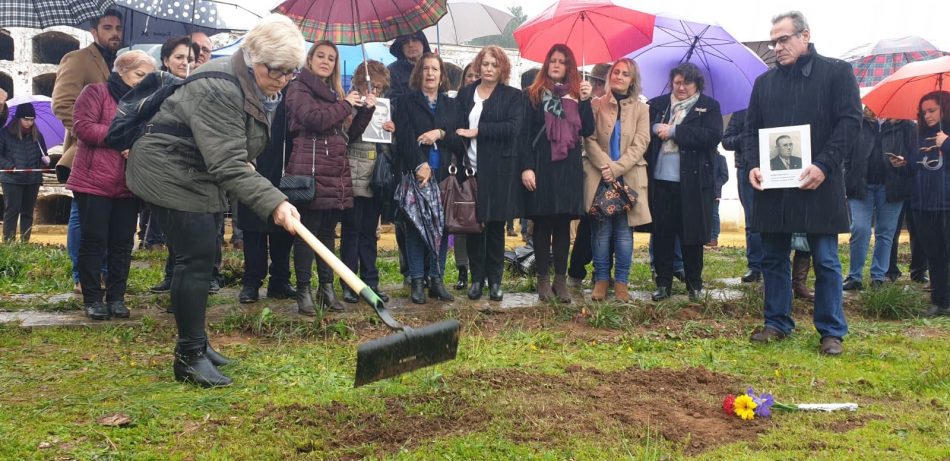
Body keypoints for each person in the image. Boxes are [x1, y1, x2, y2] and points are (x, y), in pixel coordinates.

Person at [125, 14, 307, 387]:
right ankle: (188, 357)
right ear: (254, 57)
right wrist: (276, 202)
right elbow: (226, 163)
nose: (283, 80)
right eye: (277, 70)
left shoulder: (254, 83)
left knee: (202, 256)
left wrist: (245, 157)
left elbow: (231, 146)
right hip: (170, 171)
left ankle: (199, 343)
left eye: (291, 72)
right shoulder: (220, 86)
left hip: (198, 170)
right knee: (196, 259)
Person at [744, 11, 860, 355]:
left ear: (804, 36)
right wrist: (752, 164)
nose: (776, 47)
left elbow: (850, 123)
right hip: (775, 186)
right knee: (773, 258)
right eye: (773, 41)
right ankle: (777, 323)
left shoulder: (837, 73)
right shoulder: (764, 83)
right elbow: (751, 130)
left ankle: (831, 331)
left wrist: (824, 165)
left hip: (819, 183)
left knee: (825, 259)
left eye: (783, 39)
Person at [286, 40, 375, 315]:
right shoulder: (299, 88)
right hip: (310, 170)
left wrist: (366, 111)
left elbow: (347, 135)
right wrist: (346, 104)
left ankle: (326, 288)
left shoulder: (333, 94)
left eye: (331, 58)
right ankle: (303, 290)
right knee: (306, 234)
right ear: (310, 60)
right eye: (321, 56)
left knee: (327, 234)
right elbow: (314, 119)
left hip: (334, 169)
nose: (326, 61)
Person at [67, 50, 154, 320]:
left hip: (128, 183)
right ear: (122, 71)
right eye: (140, 75)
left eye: (148, 77)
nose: (143, 81)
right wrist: (122, 138)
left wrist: (138, 143)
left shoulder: (145, 102)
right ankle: (93, 298)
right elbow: (83, 127)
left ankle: (116, 297)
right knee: (93, 241)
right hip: (94, 181)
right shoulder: (96, 93)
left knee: (121, 243)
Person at [52, 8, 122, 293]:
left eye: (118, 27)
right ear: (94, 31)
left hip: (117, 156)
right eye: (107, 27)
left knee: (107, 216)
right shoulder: (78, 60)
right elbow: (62, 104)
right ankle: (83, 276)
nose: (115, 33)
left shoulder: (121, 63)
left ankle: (103, 271)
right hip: (86, 151)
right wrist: (91, 131)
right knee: (82, 214)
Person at [521, 44, 594, 303]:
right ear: (546, 64)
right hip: (541, 165)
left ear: (568, 67)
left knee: (563, 225)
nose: (556, 65)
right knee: (542, 223)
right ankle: (543, 280)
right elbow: (525, 135)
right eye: (552, 60)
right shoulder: (534, 94)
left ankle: (560, 282)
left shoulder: (576, 95)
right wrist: (526, 167)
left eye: (562, 62)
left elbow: (587, 130)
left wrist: (585, 101)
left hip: (568, 167)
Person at [646, 62, 723, 302]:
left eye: (687, 83)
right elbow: (640, 132)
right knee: (662, 235)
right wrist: (653, 127)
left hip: (693, 183)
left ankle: (694, 284)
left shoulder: (709, 107)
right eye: (677, 82)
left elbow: (711, 136)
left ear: (696, 84)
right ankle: (663, 284)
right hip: (660, 180)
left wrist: (676, 132)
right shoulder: (657, 105)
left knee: (692, 236)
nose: (681, 88)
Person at [148, 35, 218, 296]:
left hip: (200, 166)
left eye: (190, 58)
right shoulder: (155, 86)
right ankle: (173, 275)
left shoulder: (204, 86)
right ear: (165, 60)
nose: (184, 62)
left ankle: (209, 274)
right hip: (167, 166)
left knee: (207, 226)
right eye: (179, 57)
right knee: (176, 229)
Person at [455, 45, 524, 302]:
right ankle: (476, 279)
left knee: (495, 227)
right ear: (478, 66)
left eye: (494, 64)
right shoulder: (465, 93)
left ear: (502, 68)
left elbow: (513, 128)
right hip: (469, 169)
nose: (489, 69)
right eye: (485, 64)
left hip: (498, 171)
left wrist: (479, 131)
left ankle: (495, 280)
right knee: (473, 227)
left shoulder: (512, 96)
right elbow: (454, 124)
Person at [393, 52, 460, 304]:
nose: (430, 73)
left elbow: (459, 139)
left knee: (440, 229)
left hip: (443, 174)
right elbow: (404, 138)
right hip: (417, 175)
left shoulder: (451, 105)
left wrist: (440, 133)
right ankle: (417, 281)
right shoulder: (406, 102)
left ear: (442, 75)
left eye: (435, 69)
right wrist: (419, 164)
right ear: (418, 73)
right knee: (415, 229)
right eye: (426, 69)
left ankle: (436, 279)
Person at [583, 58, 651, 302]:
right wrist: (606, 167)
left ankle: (622, 282)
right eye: (616, 72)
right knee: (601, 233)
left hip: (628, 178)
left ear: (632, 80)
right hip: (600, 177)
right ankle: (601, 279)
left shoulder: (642, 109)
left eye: (625, 74)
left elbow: (641, 143)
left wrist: (617, 168)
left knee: (624, 233)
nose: (619, 77)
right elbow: (588, 139)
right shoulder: (596, 105)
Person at [888, 91, 950, 317]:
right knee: (934, 255)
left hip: (946, 204)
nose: (927, 116)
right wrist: (903, 164)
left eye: (932, 110)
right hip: (923, 205)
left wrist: (947, 144)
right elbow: (916, 169)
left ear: (945, 108)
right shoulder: (919, 136)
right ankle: (941, 301)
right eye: (924, 112)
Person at [843, 107, 915, 291]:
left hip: (892, 186)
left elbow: (915, 158)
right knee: (860, 228)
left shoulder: (906, 126)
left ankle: (878, 276)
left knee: (885, 232)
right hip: (861, 185)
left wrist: (903, 162)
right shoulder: (859, 123)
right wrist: (848, 175)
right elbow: (847, 153)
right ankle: (854, 276)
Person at [236, 91, 297, 304]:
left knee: (283, 231)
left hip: (284, 172)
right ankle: (251, 283)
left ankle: (280, 281)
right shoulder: (246, 94)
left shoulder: (291, 96)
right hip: (252, 170)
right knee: (253, 233)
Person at [339, 60, 392, 305]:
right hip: (352, 171)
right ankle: (350, 283)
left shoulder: (384, 107)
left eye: (380, 88)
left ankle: (371, 281)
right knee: (351, 231)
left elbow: (389, 144)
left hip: (375, 177)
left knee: (370, 233)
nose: (375, 91)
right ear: (360, 82)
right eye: (372, 85)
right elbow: (346, 136)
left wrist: (393, 130)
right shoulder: (349, 104)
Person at [568, 62, 611, 287]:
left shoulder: (615, 106)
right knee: (589, 223)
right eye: (597, 82)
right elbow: (587, 137)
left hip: (614, 171)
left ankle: (602, 271)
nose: (598, 86)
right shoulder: (589, 104)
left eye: (601, 82)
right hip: (593, 169)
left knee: (611, 222)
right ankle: (576, 270)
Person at [722, 109, 763, 282]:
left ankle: (775, 263)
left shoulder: (776, 107)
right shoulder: (740, 113)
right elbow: (726, 141)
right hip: (746, 169)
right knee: (752, 220)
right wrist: (747, 137)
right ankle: (755, 266)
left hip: (775, 167)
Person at [0, 103, 48, 242]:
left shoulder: (38, 135)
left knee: (27, 212)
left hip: (32, 180)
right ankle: (9, 243)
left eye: (32, 120)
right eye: (26, 119)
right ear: (18, 118)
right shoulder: (5, 133)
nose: (29, 123)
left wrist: (46, 160)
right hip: (12, 179)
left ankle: (25, 243)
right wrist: (11, 167)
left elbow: (42, 155)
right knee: (12, 211)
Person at [452, 61, 478, 291]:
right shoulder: (457, 103)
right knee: (462, 222)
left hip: (482, 168)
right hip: (461, 167)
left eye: (476, 75)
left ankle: (480, 269)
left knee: (480, 222)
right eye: (469, 75)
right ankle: (462, 269)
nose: (473, 78)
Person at [709, 152, 729, 247]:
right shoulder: (701, 157)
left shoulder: (721, 158)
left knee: (714, 215)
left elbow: (725, 176)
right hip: (699, 192)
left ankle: (713, 238)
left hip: (714, 192)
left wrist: (715, 186)